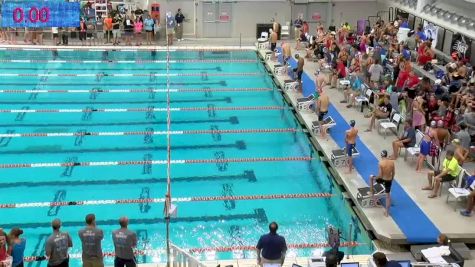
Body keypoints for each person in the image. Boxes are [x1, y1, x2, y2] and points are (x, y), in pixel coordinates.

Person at [370, 150, 395, 217]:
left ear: (381, 156)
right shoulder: (392, 162)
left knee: (371, 177)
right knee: (388, 196)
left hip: (382, 179)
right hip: (389, 180)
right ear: (386, 155)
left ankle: (372, 194)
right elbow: (393, 173)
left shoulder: (380, 163)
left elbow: (380, 175)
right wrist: (391, 179)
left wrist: (375, 178)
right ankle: (387, 212)